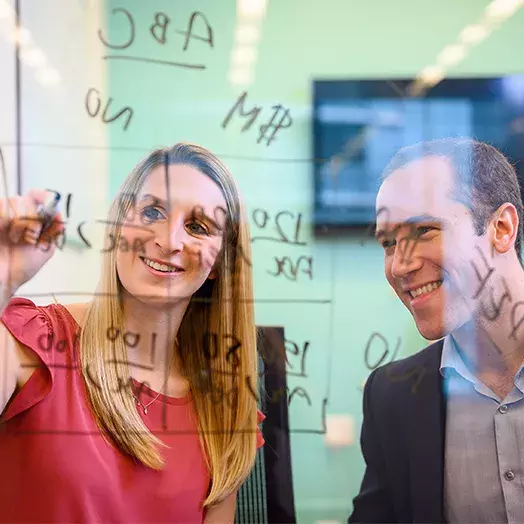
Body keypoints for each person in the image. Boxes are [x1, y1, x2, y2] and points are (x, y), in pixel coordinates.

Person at [0, 143, 264, 523]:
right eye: (152, 211)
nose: (169, 240)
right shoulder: (32, 343)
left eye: (197, 226)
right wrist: (5, 276)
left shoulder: (222, 407)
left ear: (220, 263)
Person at [348, 137, 524, 523]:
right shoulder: (391, 398)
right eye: (388, 243)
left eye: (425, 230)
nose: (399, 266)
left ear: (502, 228)